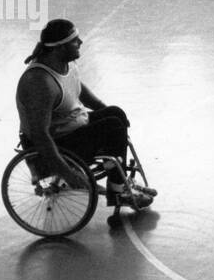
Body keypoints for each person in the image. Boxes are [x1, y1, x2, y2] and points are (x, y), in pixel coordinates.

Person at [15, 19, 155, 208]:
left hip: (72, 129)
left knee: (116, 114)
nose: (80, 42)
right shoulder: (40, 83)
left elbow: (77, 88)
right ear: (59, 48)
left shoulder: (64, 63)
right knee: (113, 126)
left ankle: (120, 179)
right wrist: (67, 173)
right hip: (54, 145)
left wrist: (106, 112)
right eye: (75, 40)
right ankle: (118, 191)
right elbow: (39, 134)